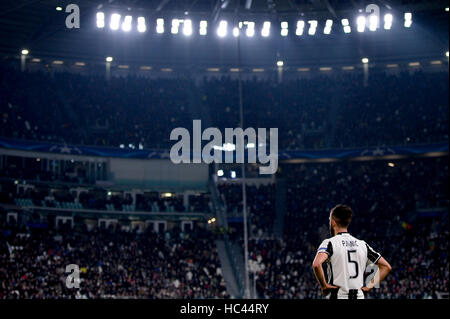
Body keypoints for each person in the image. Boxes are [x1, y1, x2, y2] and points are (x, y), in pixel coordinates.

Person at [312, 204, 392, 299]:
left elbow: (316, 264)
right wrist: (368, 287)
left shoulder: (330, 243)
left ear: (333, 222)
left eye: (330, 219)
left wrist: (324, 286)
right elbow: (386, 267)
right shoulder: (362, 245)